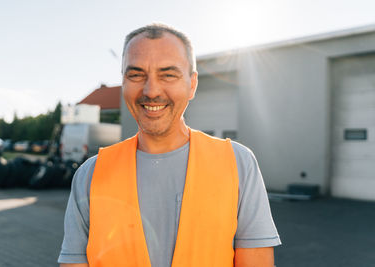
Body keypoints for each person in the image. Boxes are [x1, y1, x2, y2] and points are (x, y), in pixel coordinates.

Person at [58, 23, 281, 267]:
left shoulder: (238, 164)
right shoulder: (90, 175)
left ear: (192, 84)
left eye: (168, 74)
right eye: (136, 75)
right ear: (123, 82)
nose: (151, 91)